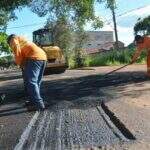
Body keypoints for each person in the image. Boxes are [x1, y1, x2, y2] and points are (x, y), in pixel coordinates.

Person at [7, 34, 47, 111]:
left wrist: (20, 64)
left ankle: (39, 104)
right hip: (42, 57)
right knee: (36, 82)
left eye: (9, 44)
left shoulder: (13, 39)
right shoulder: (23, 40)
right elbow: (24, 52)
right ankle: (33, 101)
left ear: (9, 41)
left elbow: (17, 51)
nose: (10, 46)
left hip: (34, 58)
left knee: (31, 82)